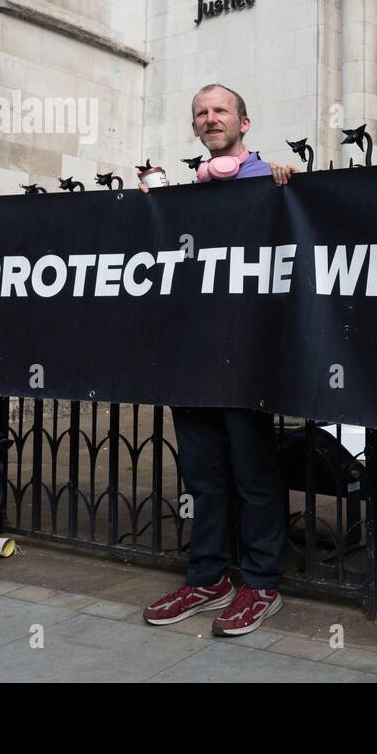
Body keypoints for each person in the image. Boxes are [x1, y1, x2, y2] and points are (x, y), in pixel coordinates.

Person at [141, 83, 298, 637]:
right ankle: (208, 577)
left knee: (255, 474)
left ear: (244, 123)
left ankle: (260, 582)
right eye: (201, 113)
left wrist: (294, 189)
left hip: (248, 357)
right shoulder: (188, 195)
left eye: (220, 111)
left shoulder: (275, 184)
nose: (210, 119)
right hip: (191, 357)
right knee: (204, 476)